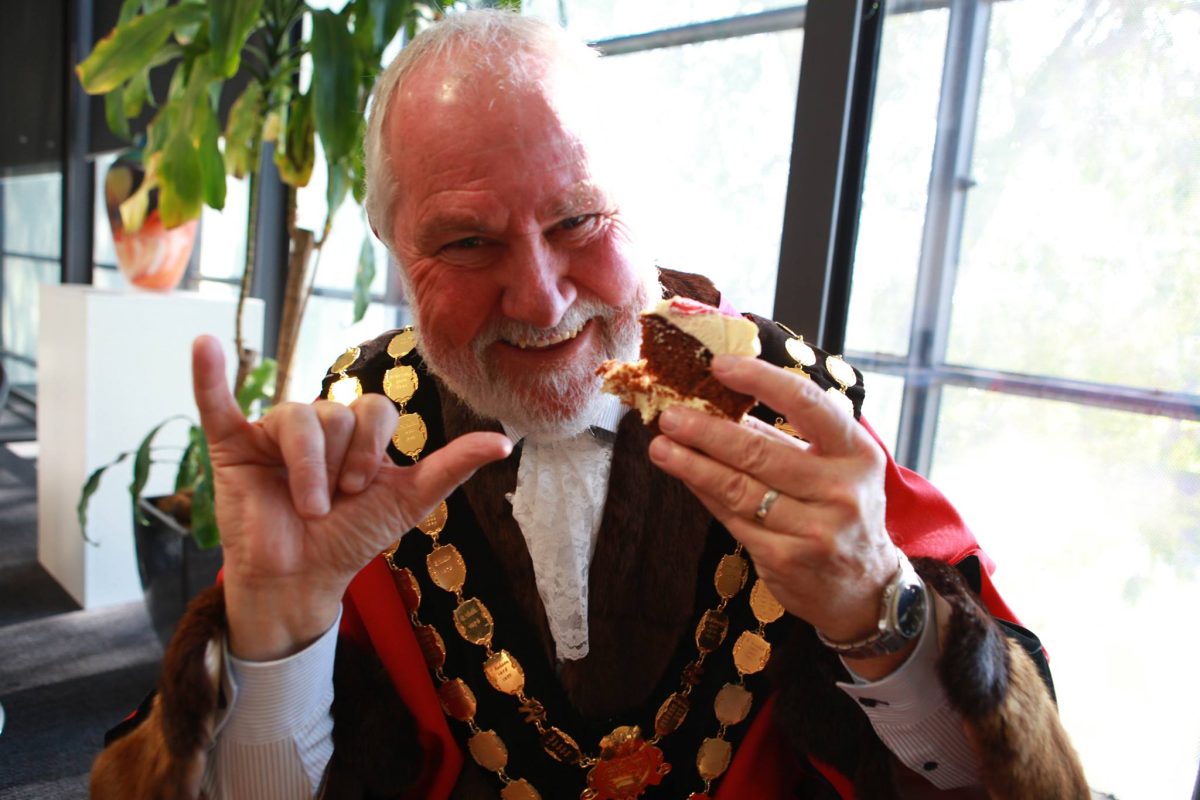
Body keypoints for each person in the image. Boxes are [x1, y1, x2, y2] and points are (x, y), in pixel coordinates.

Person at [91, 10, 1089, 800]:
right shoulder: (355, 441)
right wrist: (277, 644)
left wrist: (890, 619)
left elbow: (1001, 776)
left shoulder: (791, 406)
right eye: (466, 242)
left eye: (579, 219)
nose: (540, 298)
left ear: (640, 207)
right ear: (396, 257)